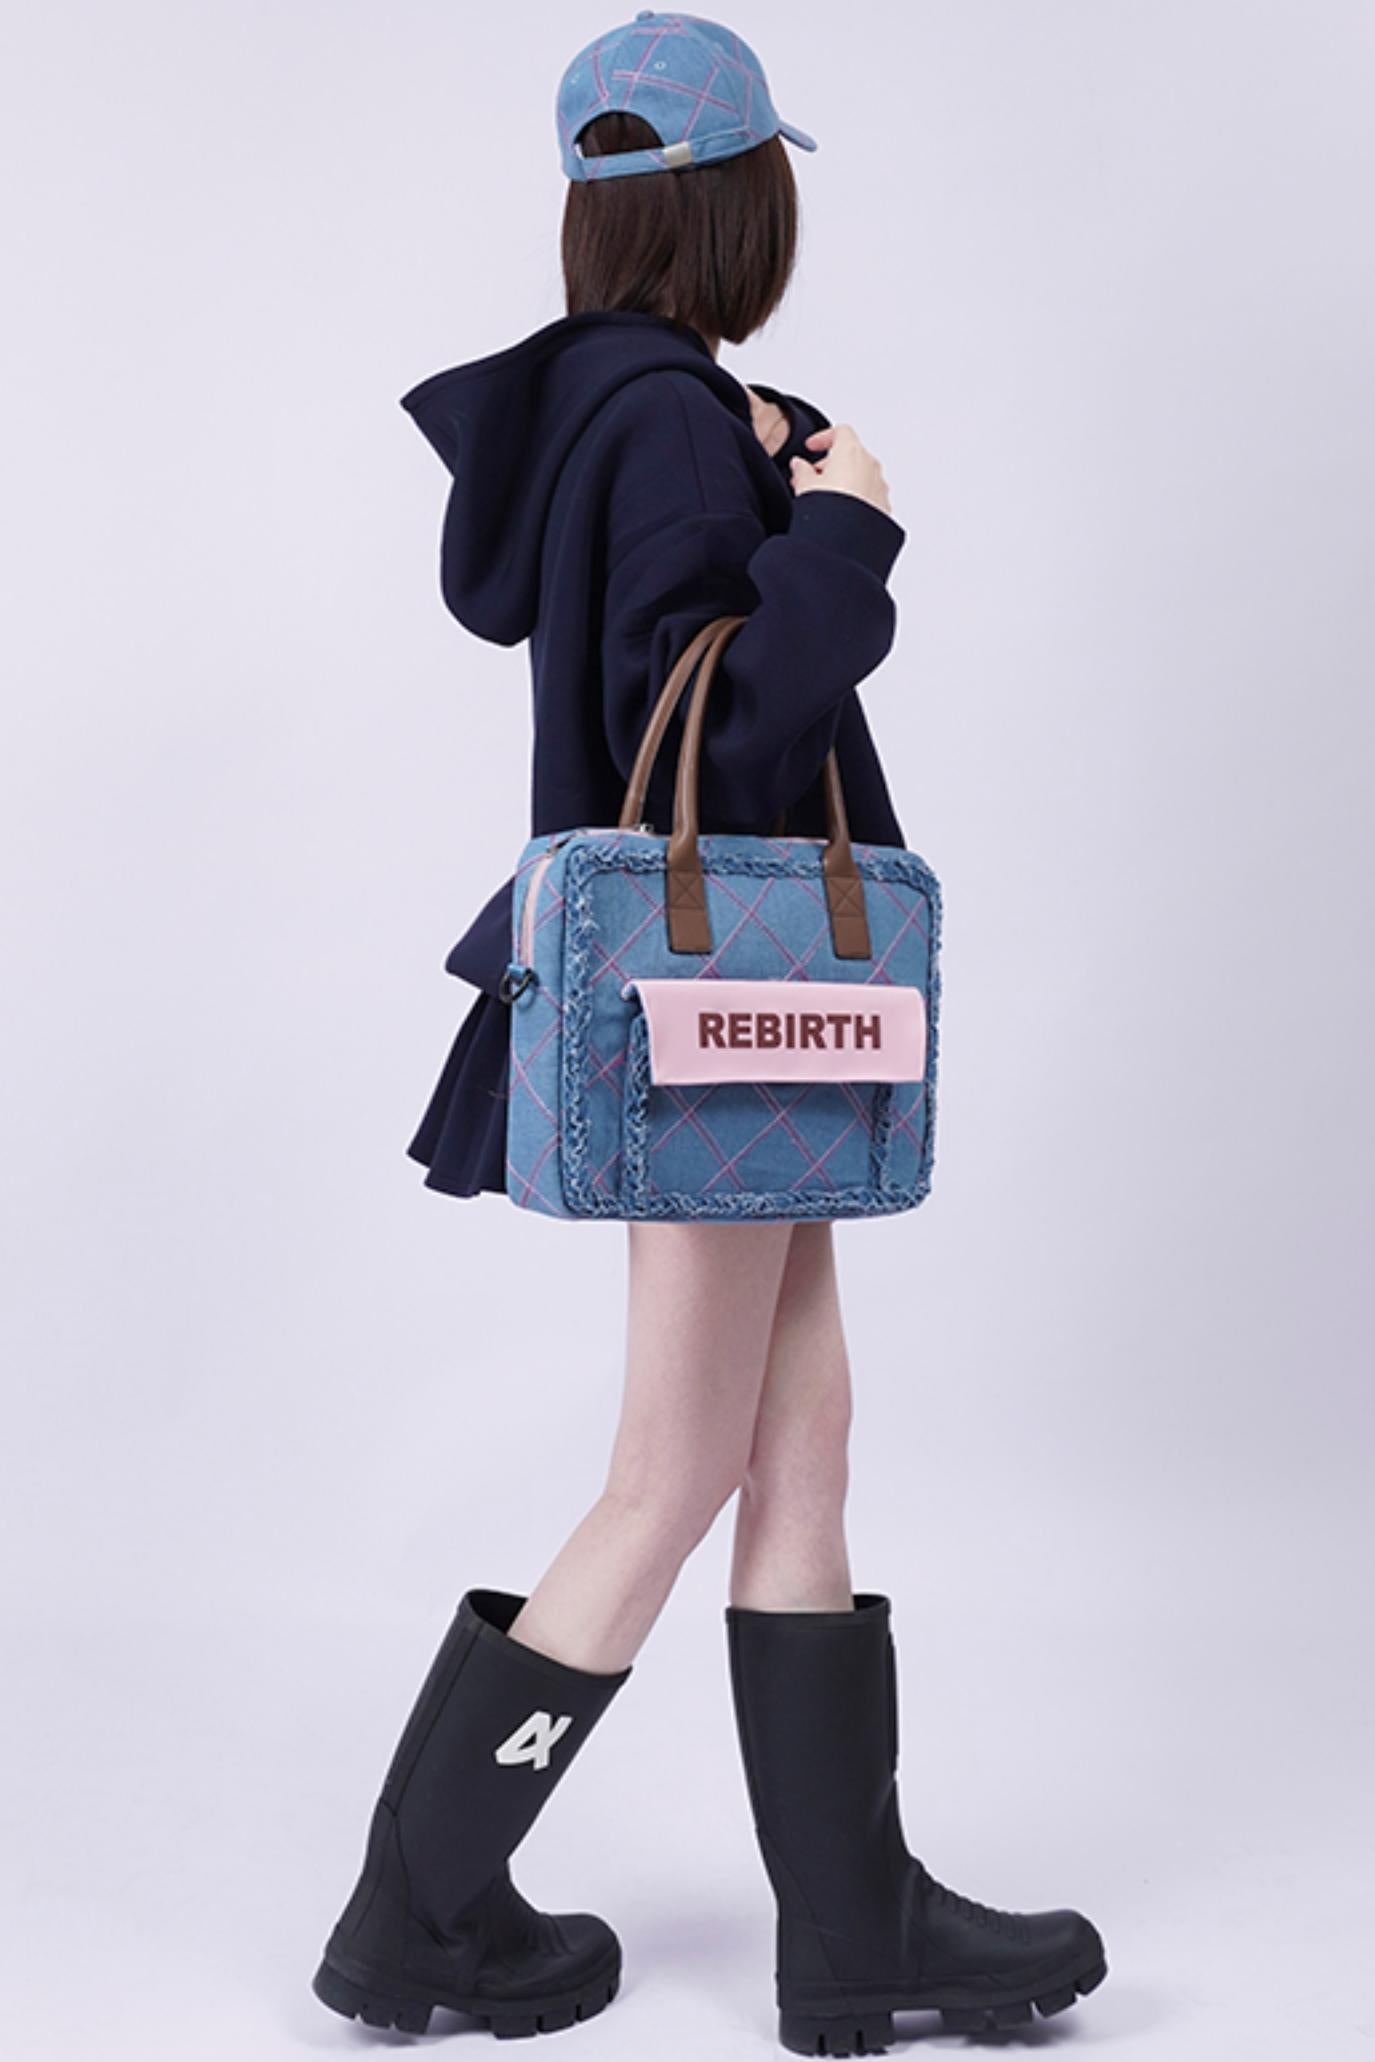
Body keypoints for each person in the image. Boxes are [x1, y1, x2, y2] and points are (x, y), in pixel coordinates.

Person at [311, 11, 1108, 2053]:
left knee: (799, 1435)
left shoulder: (625, 410)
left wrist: (780, 471)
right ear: (746, 204)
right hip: (721, 1010)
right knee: (672, 1471)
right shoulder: (665, 420)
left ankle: (860, 1931)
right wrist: (843, 531)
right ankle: (418, 1913)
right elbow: (724, 715)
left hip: (726, 1017)